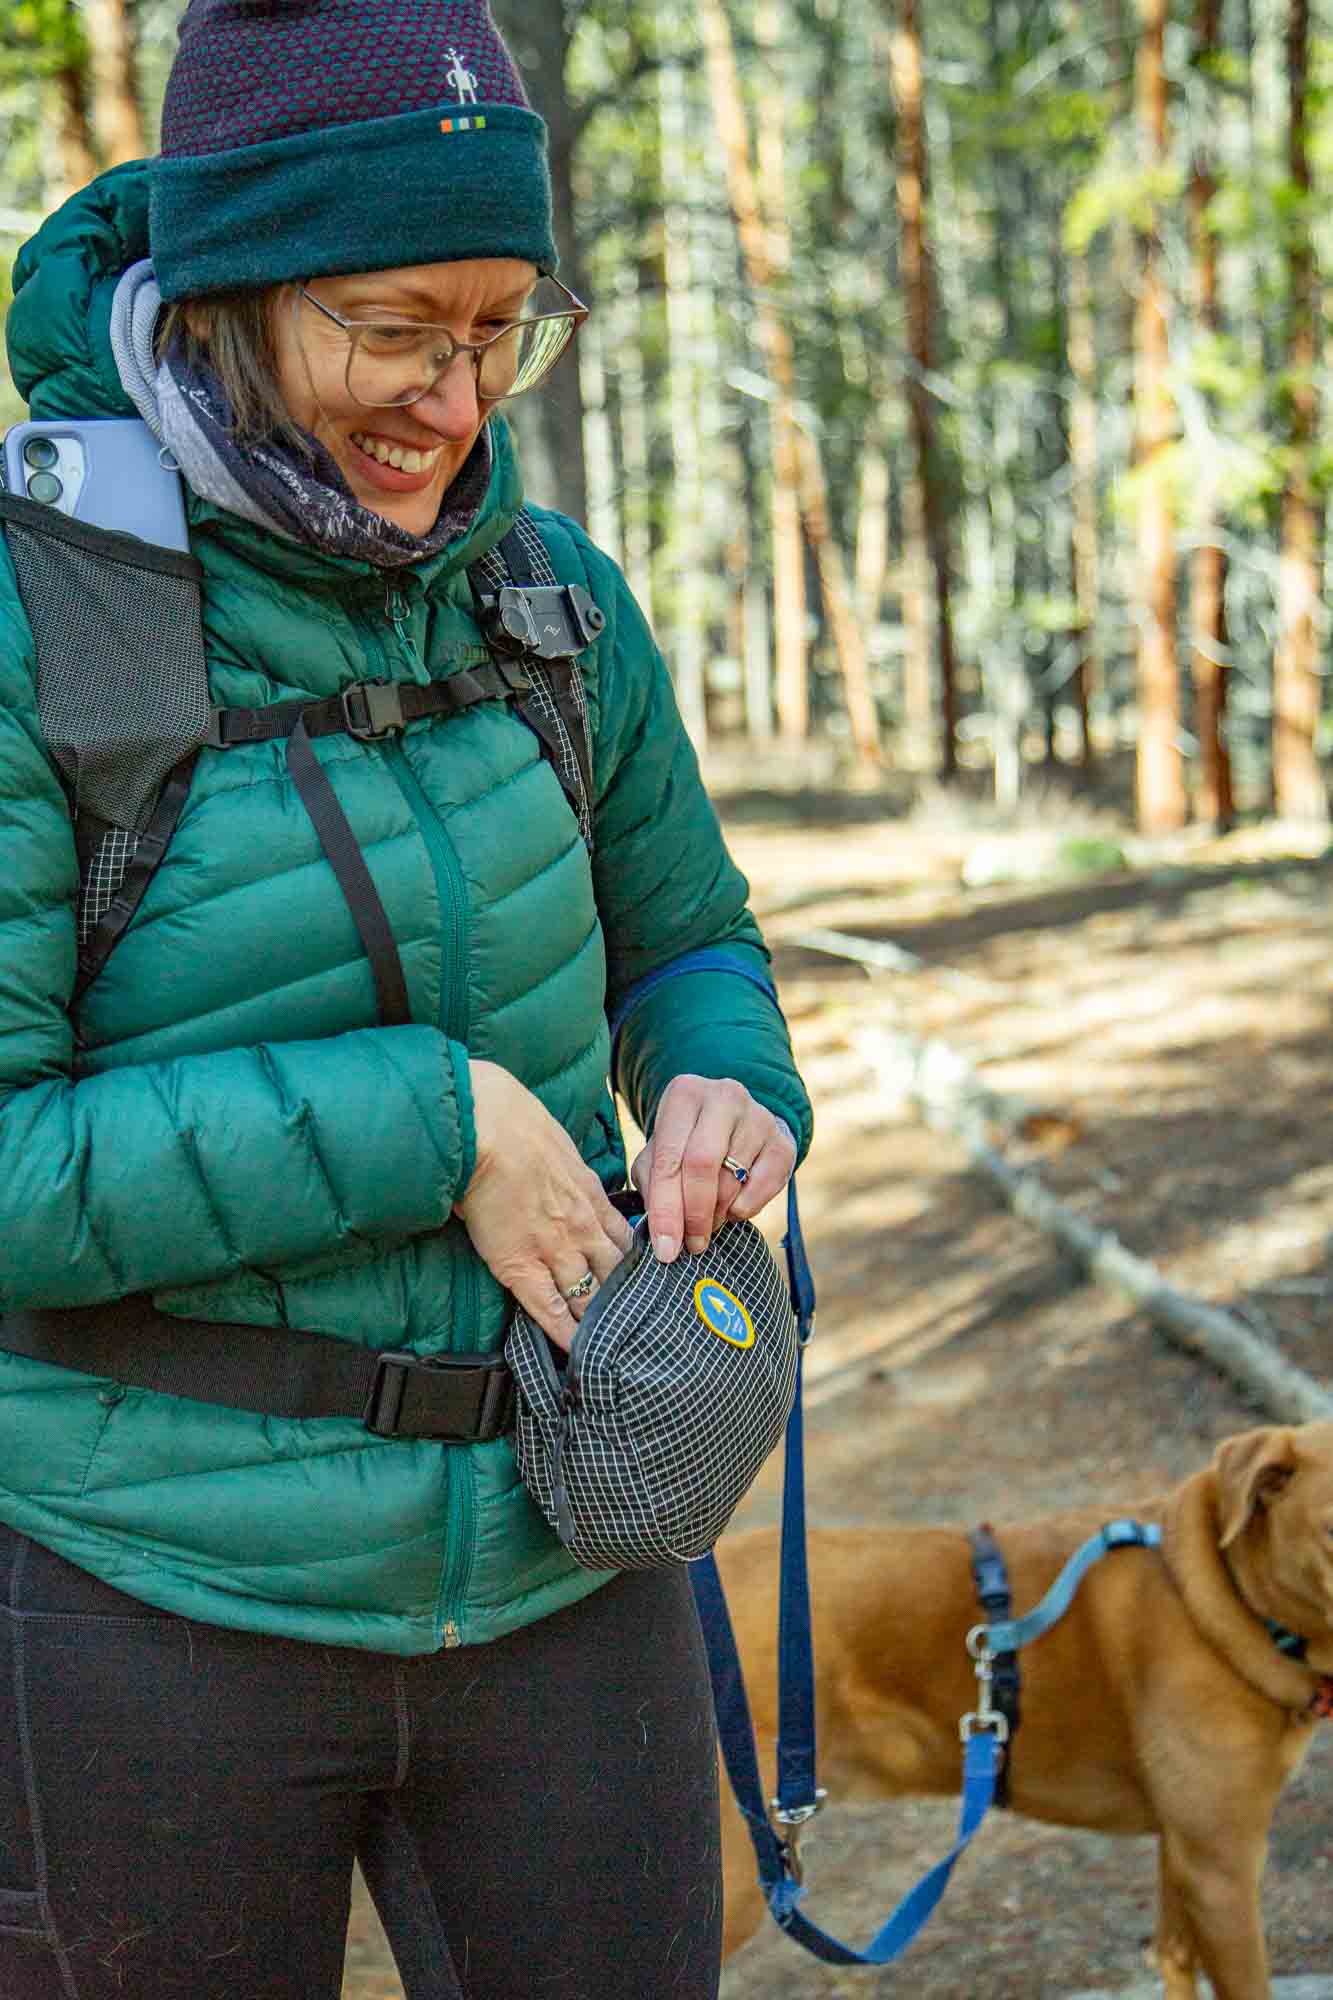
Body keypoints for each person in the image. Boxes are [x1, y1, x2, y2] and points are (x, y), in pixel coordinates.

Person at [0, 5, 812, 1998]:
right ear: (231, 291)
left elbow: (689, 943)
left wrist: (719, 1073)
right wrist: (432, 1120)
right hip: (148, 1599)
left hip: (566, 1563)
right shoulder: (42, 624)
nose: (453, 401)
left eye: (498, 329)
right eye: (393, 327)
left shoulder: (554, 604)